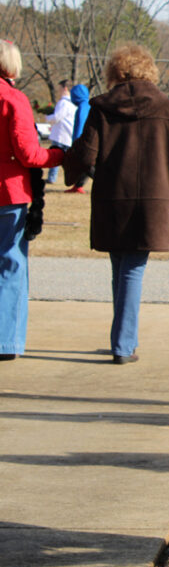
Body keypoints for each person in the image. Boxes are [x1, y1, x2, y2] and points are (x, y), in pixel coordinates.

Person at [63, 43, 169, 364]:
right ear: (149, 70)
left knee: (120, 268)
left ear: (115, 72)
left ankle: (122, 340)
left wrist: (85, 174)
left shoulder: (101, 108)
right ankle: (123, 344)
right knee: (132, 270)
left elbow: (85, 154)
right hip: (152, 202)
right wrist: (167, 198)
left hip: (111, 199)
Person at [1, 39, 65, 361]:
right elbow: (28, 153)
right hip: (7, 193)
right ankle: (4, 341)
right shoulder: (13, 99)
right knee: (10, 265)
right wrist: (58, 156)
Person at [44, 80, 76, 185]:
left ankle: (52, 178)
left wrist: (47, 117)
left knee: (55, 157)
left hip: (61, 135)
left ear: (65, 88)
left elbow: (57, 117)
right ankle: (73, 178)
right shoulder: (73, 103)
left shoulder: (63, 103)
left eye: (60, 88)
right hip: (67, 135)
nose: (58, 91)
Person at [66, 83, 91, 192]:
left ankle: (106, 185)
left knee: (87, 165)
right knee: (84, 165)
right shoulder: (88, 105)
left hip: (83, 142)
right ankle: (78, 186)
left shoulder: (82, 108)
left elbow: (80, 126)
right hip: (88, 141)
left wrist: (76, 143)